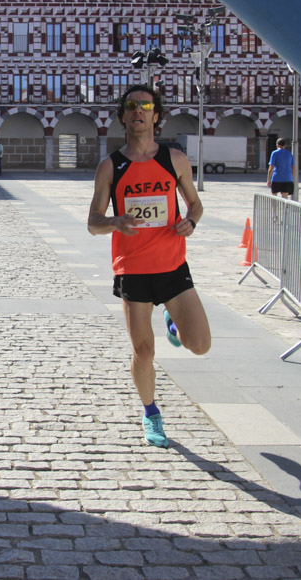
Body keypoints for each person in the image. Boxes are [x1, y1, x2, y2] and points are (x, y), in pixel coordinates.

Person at [86, 86, 211, 448]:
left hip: (172, 265)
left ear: (157, 115)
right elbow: (93, 222)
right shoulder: (111, 165)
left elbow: (196, 205)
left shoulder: (175, 159)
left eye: (146, 106)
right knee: (144, 351)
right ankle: (151, 412)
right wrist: (115, 223)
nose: (138, 111)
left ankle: (174, 320)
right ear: (122, 116)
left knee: (200, 345)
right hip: (133, 270)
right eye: (131, 106)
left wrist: (191, 221)